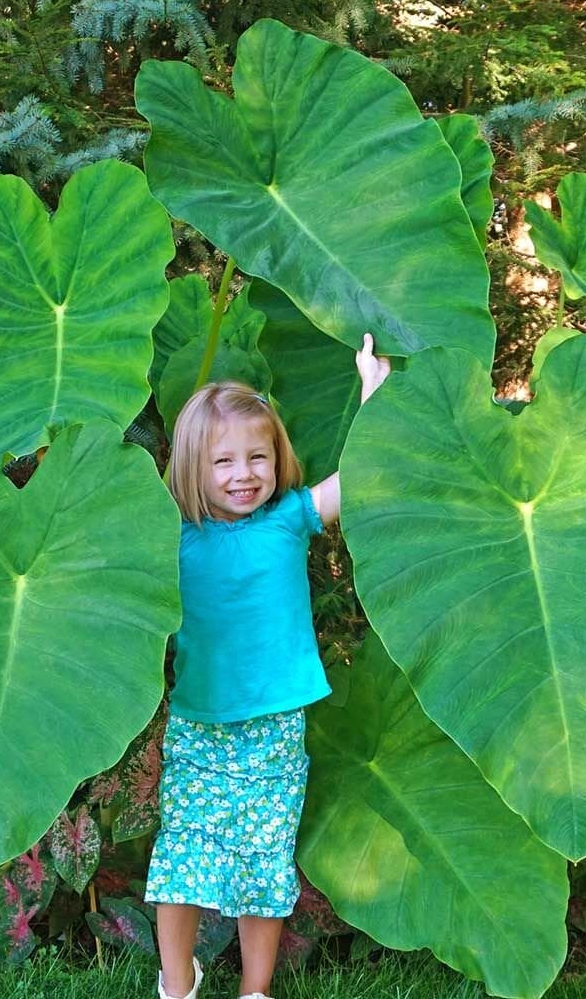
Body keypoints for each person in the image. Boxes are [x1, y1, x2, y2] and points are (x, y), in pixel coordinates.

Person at [144, 333, 391, 999]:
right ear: (192, 469)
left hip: (276, 725)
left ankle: (257, 992)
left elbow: (357, 477)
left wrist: (371, 393)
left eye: (257, 457)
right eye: (223, 461)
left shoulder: (287, 519)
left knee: (263, 867)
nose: (243, 473)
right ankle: (177, 983)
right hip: (201, 723)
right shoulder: (173, 538)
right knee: (182, 860)